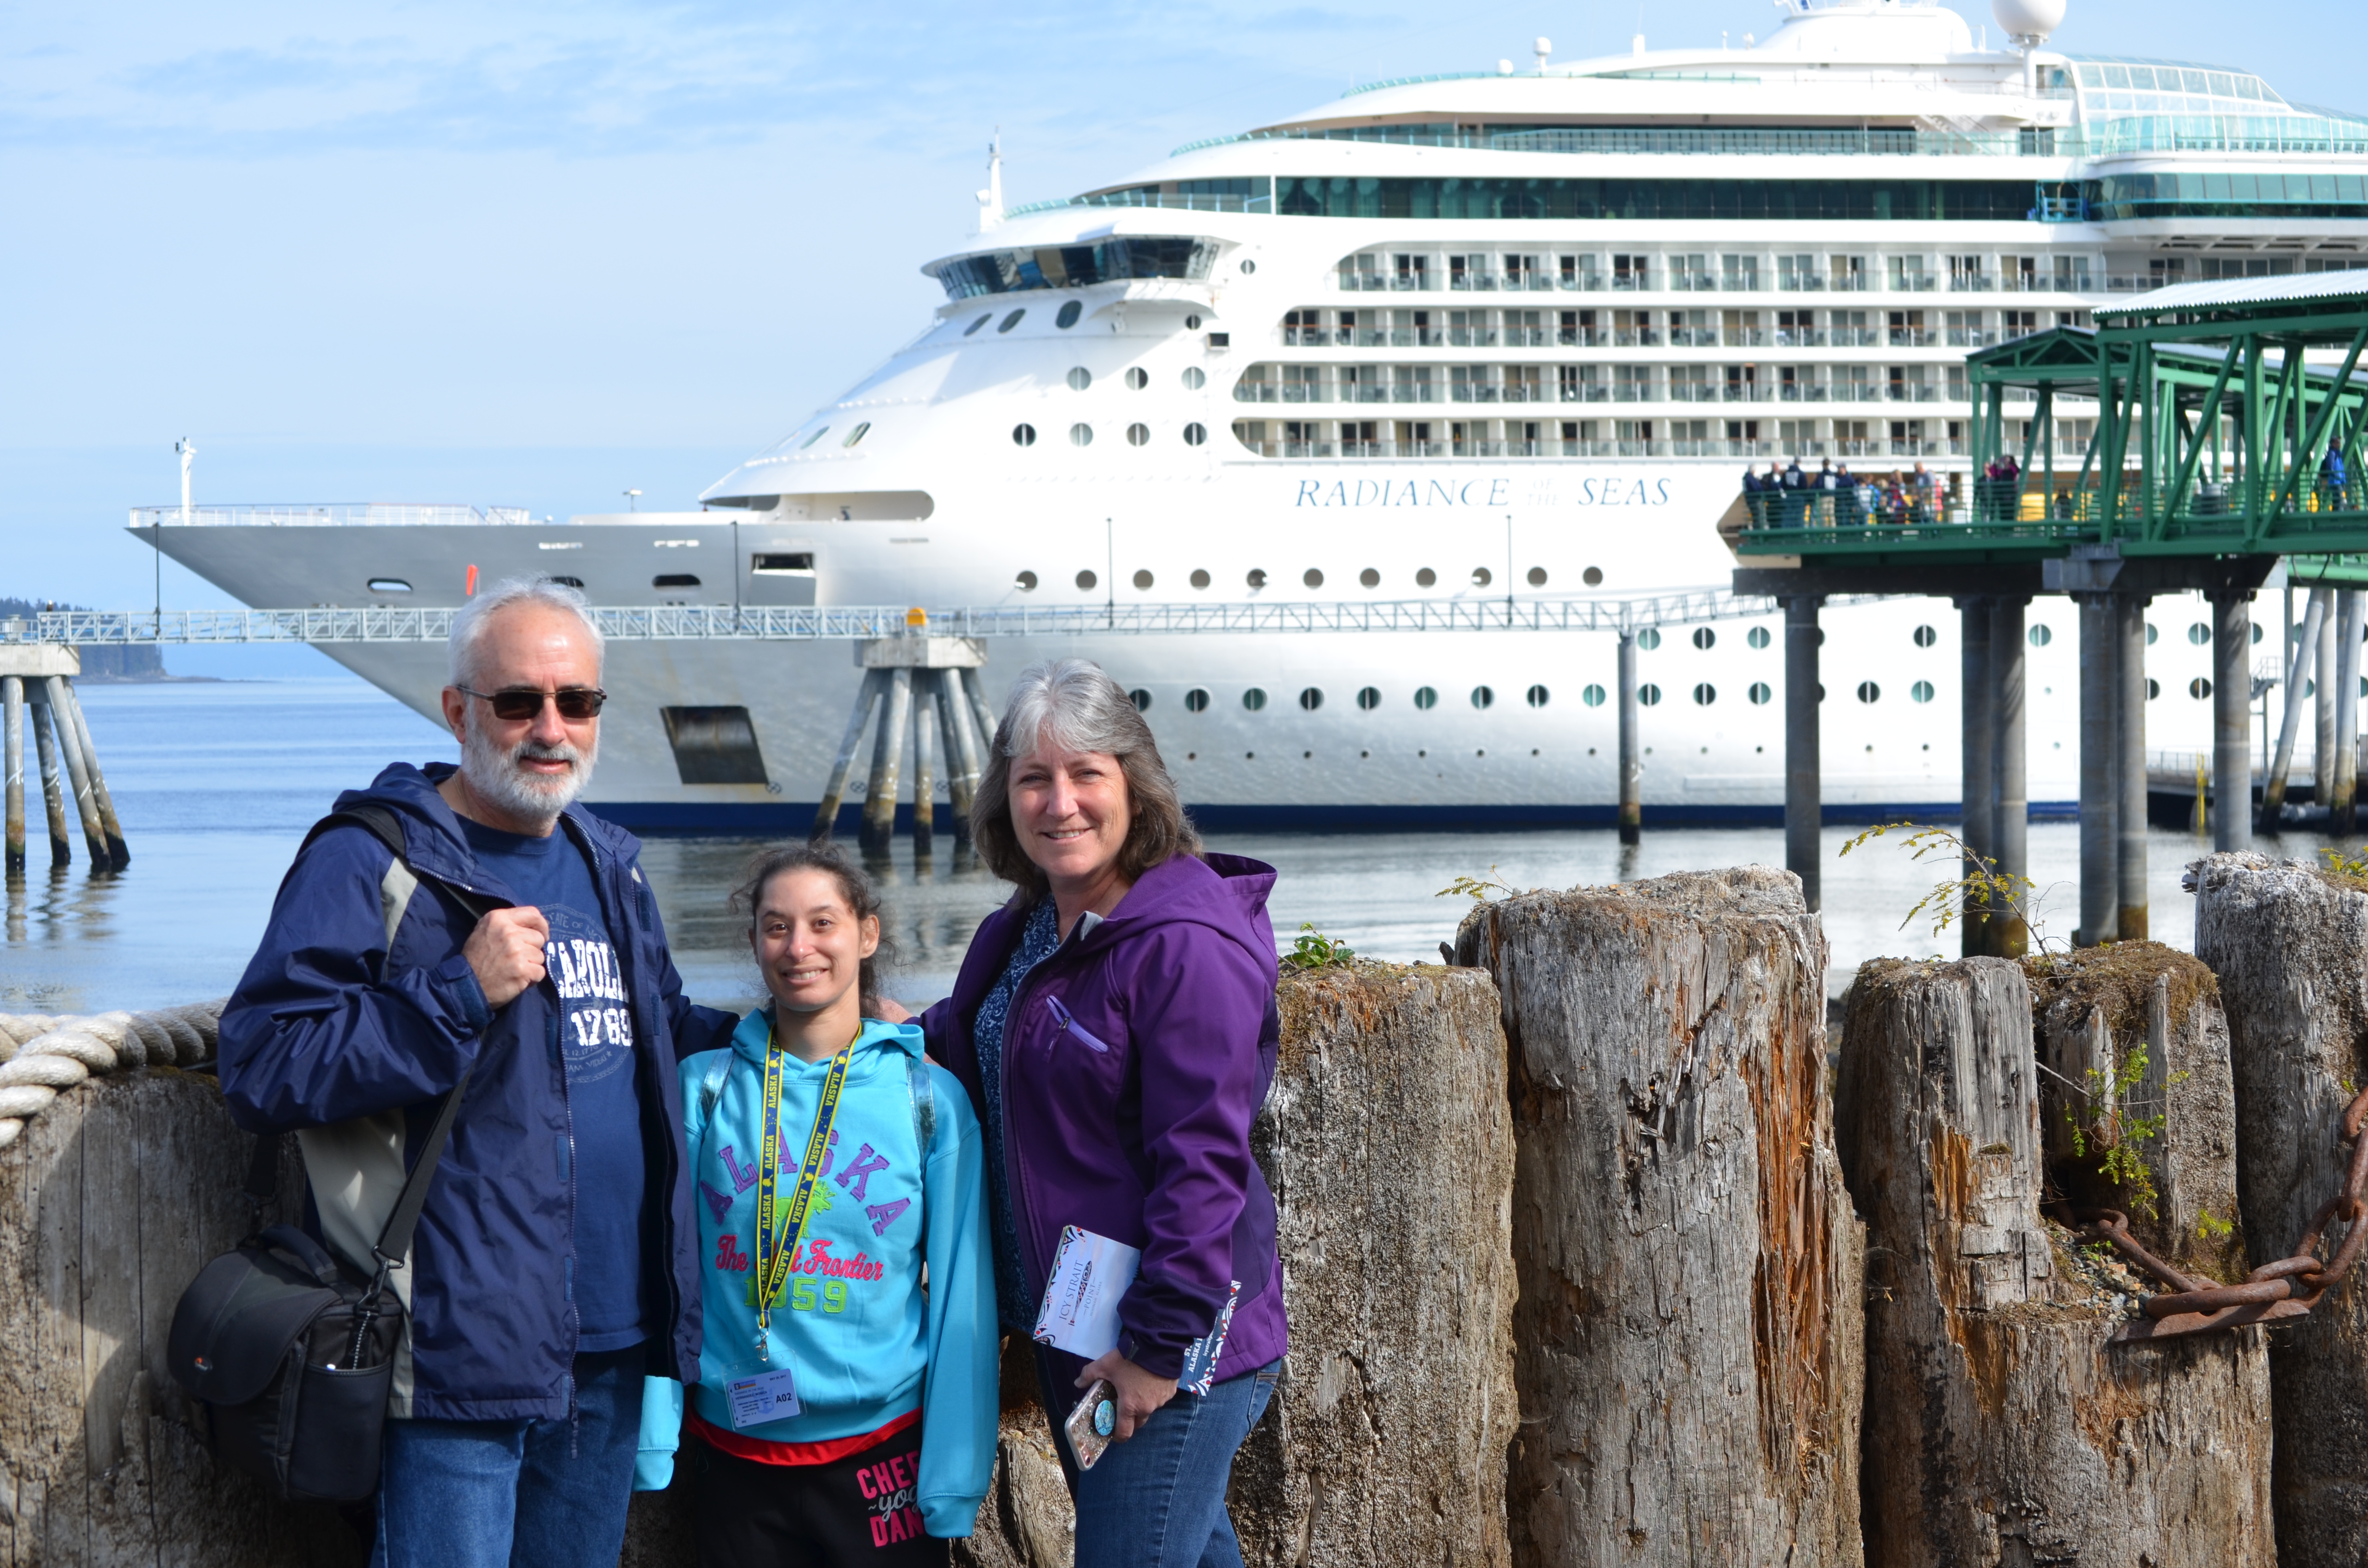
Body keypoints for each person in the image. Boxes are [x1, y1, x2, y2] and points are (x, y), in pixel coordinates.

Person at [219, 577, 736, 1568]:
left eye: (576, 701)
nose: (551, 727)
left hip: (615, 1344)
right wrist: (457, 993)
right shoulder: (374, 860)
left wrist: (806, 1029)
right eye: (518, 701)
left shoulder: (607, 860)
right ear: (457, 710)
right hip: (456, 1347)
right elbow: (263, 1063)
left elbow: (661, 1030)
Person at [919, 658, 1286, 1568]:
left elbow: (1202, 1169)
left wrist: (1155, 1352)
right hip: (1074, 1323)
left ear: (1137, 783)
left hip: (1169, 1336)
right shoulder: (1029, 926)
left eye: (1088, 774)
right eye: (1033, 779)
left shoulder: (1185, 948)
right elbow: (977, 1043)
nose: (1061, 803)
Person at [641, 845, 998, 1565]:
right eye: (776, 926)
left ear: (867, 935)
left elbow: (965, 1296)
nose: (799, 947)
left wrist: (954, 1480)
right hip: (734, 1455)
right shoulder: (704, 1090)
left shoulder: (926, 1099)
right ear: (754, 943)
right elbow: (663, 1267)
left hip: (882, 1456)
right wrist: (655, 1434)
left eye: (822, 923)